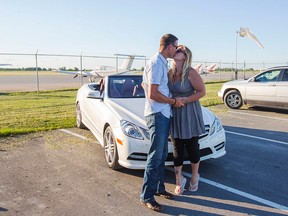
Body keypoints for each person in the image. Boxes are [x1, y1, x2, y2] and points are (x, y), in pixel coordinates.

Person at [140, 34, 184, 212]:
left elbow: (146, 85)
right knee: (156, 155)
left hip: (162, 113)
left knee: (162, 153)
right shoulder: (157, 63)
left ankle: (158, 188)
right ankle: (147, 196)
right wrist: (173, 101)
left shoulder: (160, 62)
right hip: (158, 114)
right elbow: (153, 94)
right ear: (169, 47)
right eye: (176, 46)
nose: (177, 49)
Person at [168, 45, 206, 195]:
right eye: (176, 49)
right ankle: (179, 179)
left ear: (185, 56)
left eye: (180, 50)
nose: (176, 50)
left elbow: (202, 91)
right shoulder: (169, 73)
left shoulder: (191, 72)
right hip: (175, 113)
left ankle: (195, 176)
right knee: (177, 148)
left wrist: (186, 100)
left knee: (192, 148)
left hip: (190, 112)